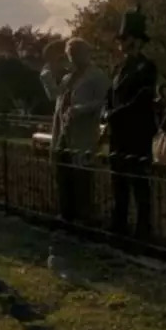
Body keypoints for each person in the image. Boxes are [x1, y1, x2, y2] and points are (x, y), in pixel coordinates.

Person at [104, 10, 158, 238]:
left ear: (135, 40)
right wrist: (107, 112)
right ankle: (119, 222)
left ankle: (143, 228)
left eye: (124, 38)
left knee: (138, 181)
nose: (121, 43)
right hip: (118, 132)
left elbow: (141, 99)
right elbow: (110, 94)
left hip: (137, 132)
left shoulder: (147, 67)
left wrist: (114, 114)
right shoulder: (119, 68)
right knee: (118, 180)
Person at [50, 38, 110, 222]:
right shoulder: (68, 78)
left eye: (76, 53)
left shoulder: (97, 76)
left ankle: (84, 215)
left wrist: (80, 109)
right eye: (70, 54)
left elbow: (104, 101)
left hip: (83, 132)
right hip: (63, 131)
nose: (73, 58)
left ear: (85, 54)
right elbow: (56, 98)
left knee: (81, 175)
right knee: (63, 172)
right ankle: (66, 213)